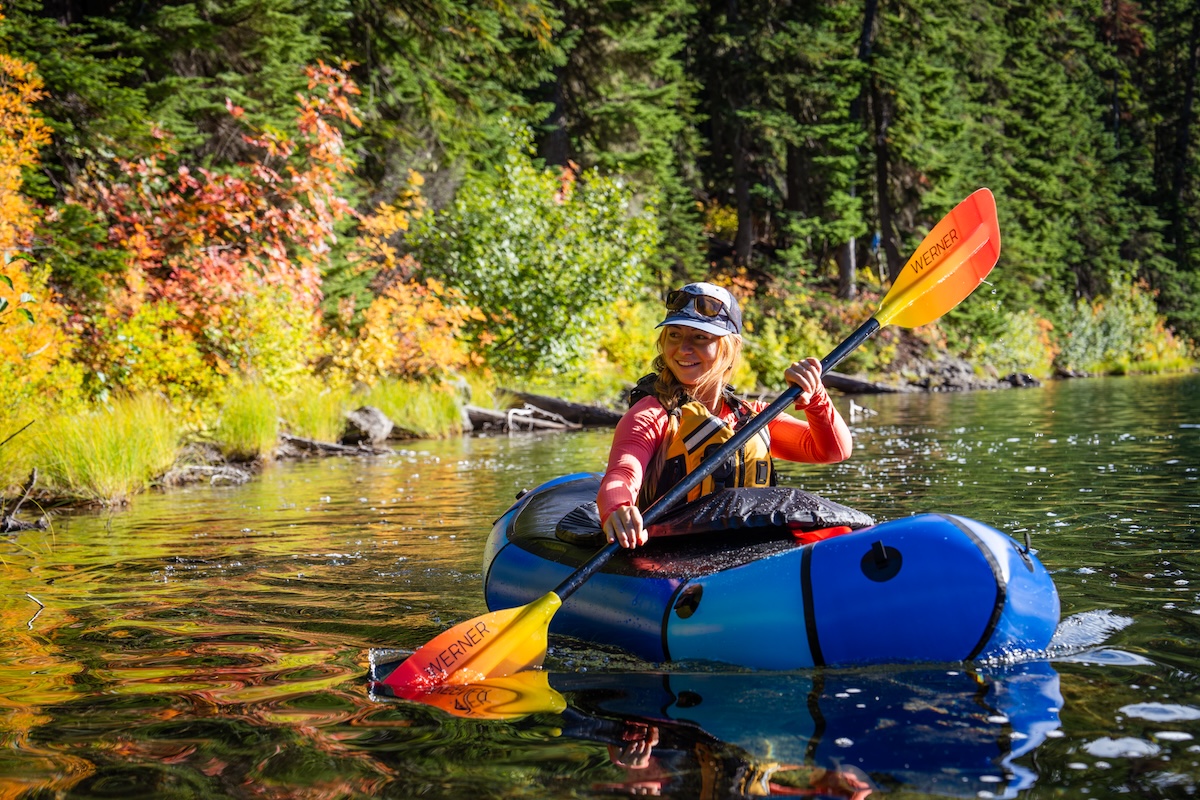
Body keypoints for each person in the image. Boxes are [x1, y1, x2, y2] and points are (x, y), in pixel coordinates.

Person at [599, 282, 853, 549]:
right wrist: (619, 507)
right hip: (671, 552)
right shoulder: (652, 413)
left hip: (749, 550)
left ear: (729, 348)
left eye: (700, 337)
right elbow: (622, 472)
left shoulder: (753, 416)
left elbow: (833, 451)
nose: (683, 349)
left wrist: (816, 398)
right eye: (674, 335)